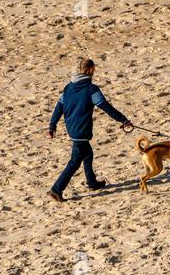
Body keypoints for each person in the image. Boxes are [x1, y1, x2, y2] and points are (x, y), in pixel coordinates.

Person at [47, 57, 133, 201]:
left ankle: (92, 182)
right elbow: (106, 107)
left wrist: (52, 126)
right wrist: (123, 120)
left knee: (88, 154)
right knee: (75, 162)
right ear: (91, 70)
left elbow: (59, 107)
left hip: (73, 129)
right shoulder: (91, 89)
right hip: (81, 130)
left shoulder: (68, 87)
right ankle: (56, 189)